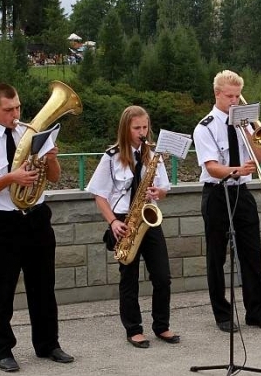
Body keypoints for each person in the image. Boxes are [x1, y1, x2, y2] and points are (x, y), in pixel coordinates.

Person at [0, 83, 74, 372]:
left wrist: (51, 158)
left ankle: (48, 344)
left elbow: (55, 178)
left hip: (37, 217)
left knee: (44, 287)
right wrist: (11, 178)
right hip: (4, 223)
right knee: (1, 291)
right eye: (9, 109)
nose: (16, 114)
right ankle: (2, 351)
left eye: (18, 107)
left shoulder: (32, 134)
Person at [193, 70, 261, 332]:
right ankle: (222, 314)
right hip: (217, 192)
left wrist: (253, 128)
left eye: (237, 96)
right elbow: (211, 167)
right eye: (229, 96)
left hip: (242, 192)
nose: (234, 101)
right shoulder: (205, 126)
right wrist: (235, 170)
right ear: (217, 94)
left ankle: (257, 312)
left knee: (252, 252)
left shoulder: (245, 123)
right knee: (217, 256)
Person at [86, 105, 178, 348]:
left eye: (145, 127)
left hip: (148, 217)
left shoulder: (153, 155)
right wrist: (113, 221)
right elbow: (99, 195)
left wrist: (159, 192)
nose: (142, 132)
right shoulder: (112, 157)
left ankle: (162, 325)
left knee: (162, 277)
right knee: (129, 278)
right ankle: (133, 329)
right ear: (126, 129)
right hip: (124, 219)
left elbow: (164, 190)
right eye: (137, 128)